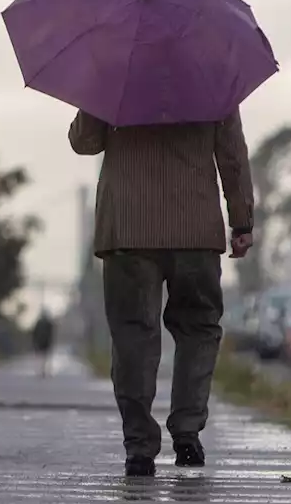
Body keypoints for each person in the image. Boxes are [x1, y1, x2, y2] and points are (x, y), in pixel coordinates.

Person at [69, 110, 253, 477]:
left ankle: (139, 446)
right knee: (198, 328)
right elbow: (231, 152)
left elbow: (83, 142)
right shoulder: (213, 71)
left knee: (133, 335)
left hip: (128, 228)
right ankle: (187, 431)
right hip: (195, 227)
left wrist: (96, 94)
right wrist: (242, 218)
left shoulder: (117, 66)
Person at [32, 310, 55, 378]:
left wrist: (34, 342)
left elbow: (34, 333)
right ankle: (45, 371)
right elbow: (51, 333)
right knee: (46, 357)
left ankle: (40, 371)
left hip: (39, 342)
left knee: (40, 357)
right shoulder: (48, 323)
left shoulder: (38, 323)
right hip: (46, 342)